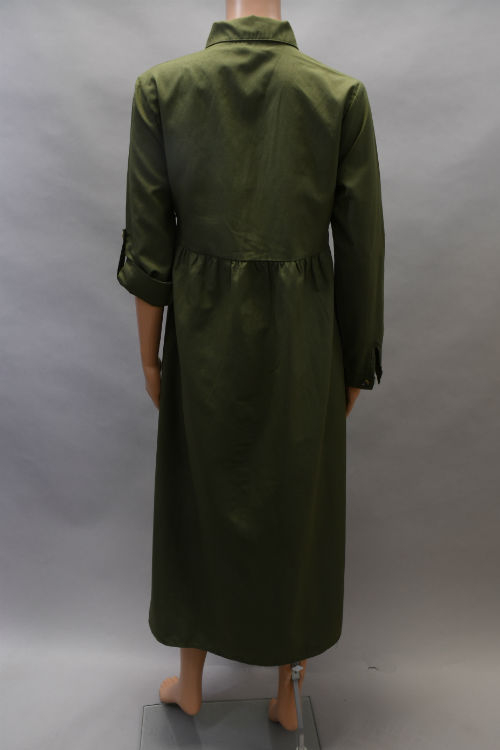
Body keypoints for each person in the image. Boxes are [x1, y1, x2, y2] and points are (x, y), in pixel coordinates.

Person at [116, 1, 385, 733]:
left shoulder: (162, 89)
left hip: (201, 334)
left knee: (196, 501)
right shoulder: (339, 96)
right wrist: (356, 359)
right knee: (296, 505)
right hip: (306, 339)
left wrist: (149, 356)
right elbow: (362, 245)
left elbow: (149, 243)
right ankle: (288, 696)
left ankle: (191, 683)